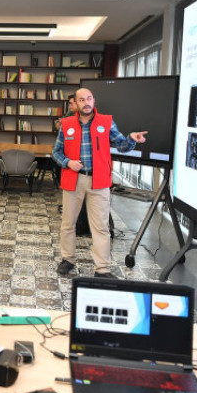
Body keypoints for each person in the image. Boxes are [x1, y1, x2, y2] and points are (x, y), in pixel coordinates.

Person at [52, 88, 147, 278]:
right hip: (74, 179)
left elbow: (122, 145)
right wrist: (68, 162)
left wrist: (131, 139)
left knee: (101, 227)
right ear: (76, 103)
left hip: (99, 181)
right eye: (81, 100)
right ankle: (68, 259)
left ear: (93, 101)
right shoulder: (66, 124)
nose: (86, 102)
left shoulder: (106, 122)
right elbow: (56, 152)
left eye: (89, 99)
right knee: (68, 223)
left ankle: (102, 269)